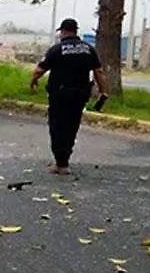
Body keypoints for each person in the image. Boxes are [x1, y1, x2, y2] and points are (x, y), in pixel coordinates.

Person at [29, 18, 109, 175]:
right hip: (79, 95)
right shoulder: (88, 49)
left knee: (57, 126)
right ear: (76, 31)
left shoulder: (57, 49)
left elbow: (39, 70)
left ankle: (60, 162)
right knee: (72, 126)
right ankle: (64, 159)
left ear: (63, 31)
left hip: (59, 95)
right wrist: (103, 91)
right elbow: (98, 72)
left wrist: (33, 81)